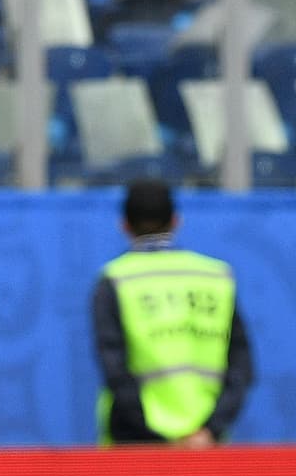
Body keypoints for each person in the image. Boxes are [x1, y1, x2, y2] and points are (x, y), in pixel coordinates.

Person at [92, 180, 253, 447]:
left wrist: (158, 439)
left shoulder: (114, 279)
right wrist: (209, 431)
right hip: (205, 445)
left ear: (124, 225)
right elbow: (241, 366)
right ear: (176, 221)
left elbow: (114, 369)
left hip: (136, 444)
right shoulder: (215, 277)